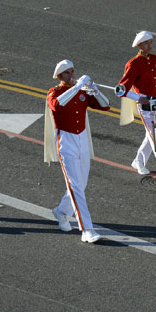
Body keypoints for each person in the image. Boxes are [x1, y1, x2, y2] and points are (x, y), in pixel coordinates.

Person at [45, 60, 111, 243]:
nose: (71, 75)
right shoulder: (55, 92)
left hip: (82, 140)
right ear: (59, 76)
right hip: (66, 142)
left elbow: (106, 106)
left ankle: (61, 211)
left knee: (81, 185)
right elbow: (58, 105)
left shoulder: (81, 92)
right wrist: (79, 86)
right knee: (75, 186)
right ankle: (87, 229)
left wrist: (95, 90)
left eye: (72, 71)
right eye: (67, 73)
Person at [117, 30, 156, 183]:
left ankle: (138, 161)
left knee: (151, 136)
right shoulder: (133, 64)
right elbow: (120, 90)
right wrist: (139, 98)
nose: (150, 45)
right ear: (139, 45)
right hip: (146, 108)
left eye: (151, 42)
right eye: (146, 43)